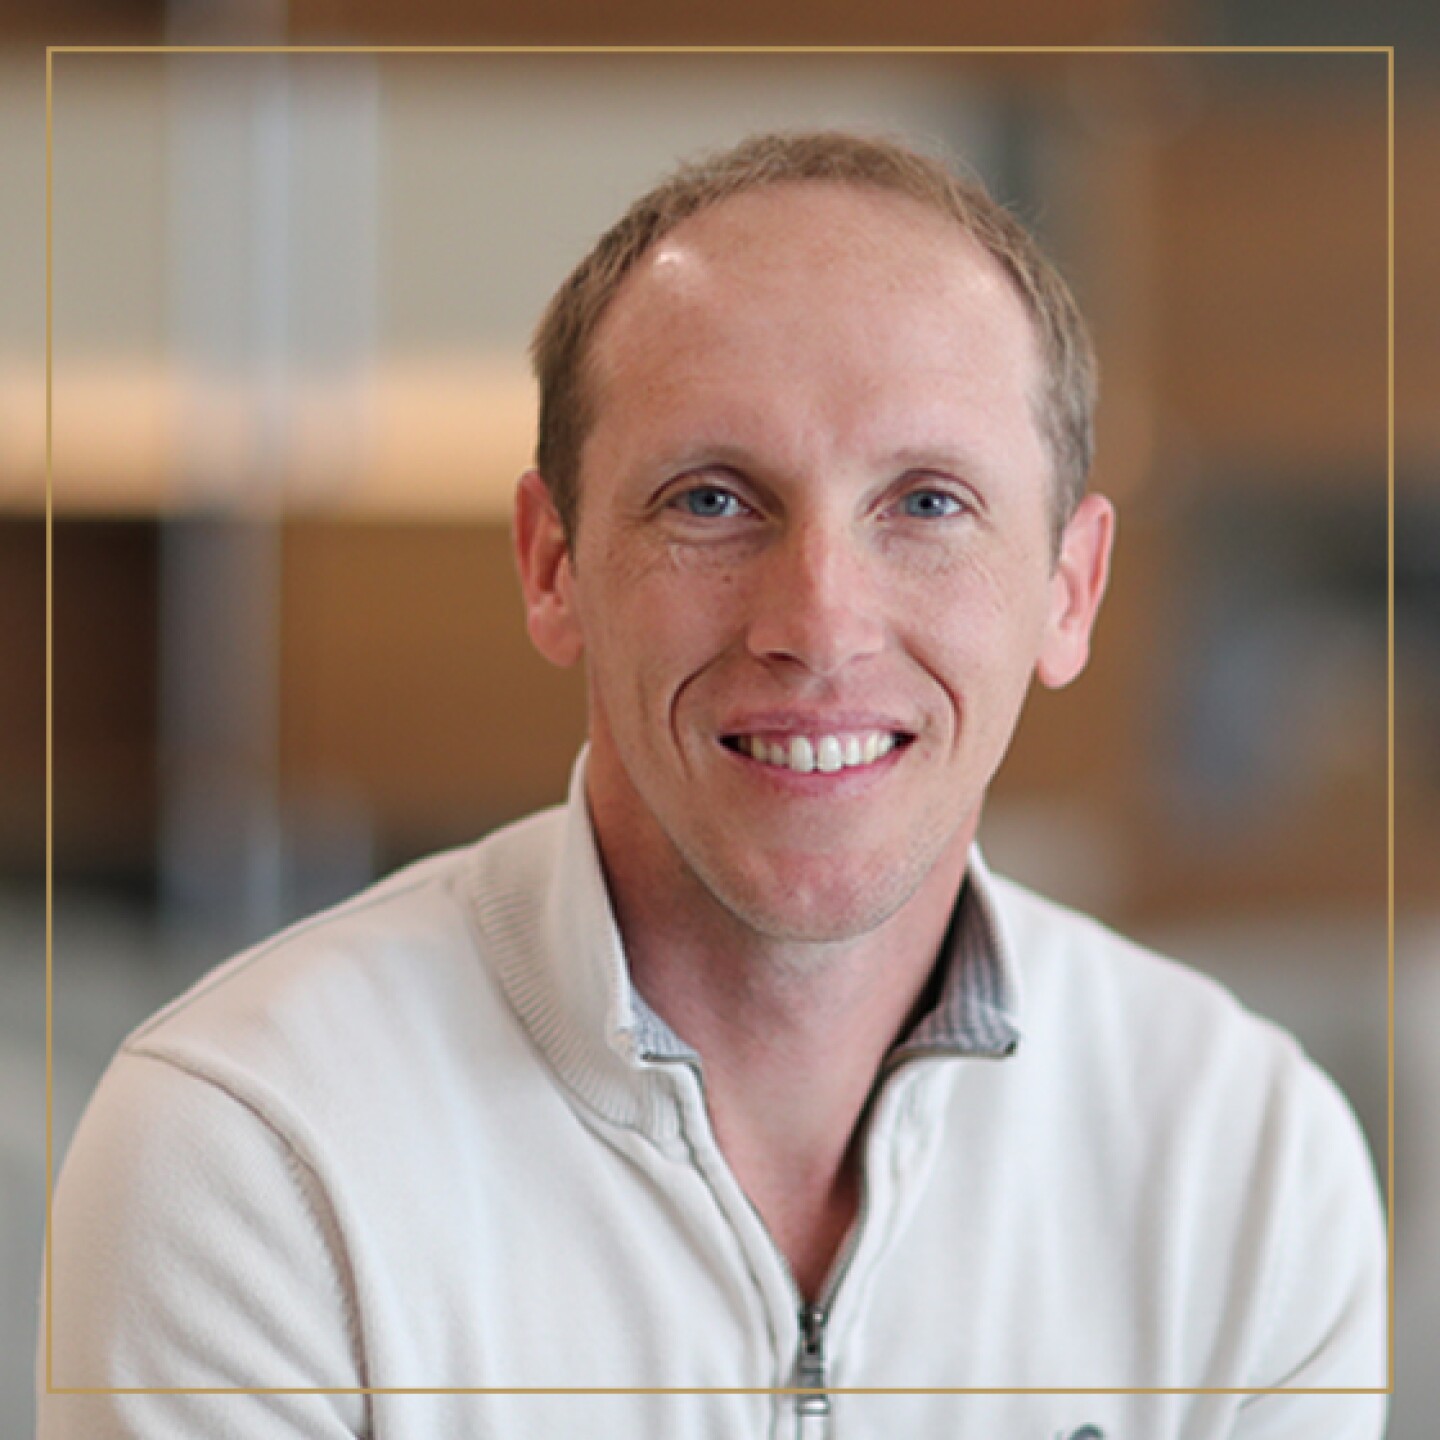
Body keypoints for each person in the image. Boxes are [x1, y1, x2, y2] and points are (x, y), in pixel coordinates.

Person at [40, 131, 1386, 1439]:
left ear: (1069, 591)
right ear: (552, 563)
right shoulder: (255, 1159)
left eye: (926, 503)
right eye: (711, 501)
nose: (819, 621)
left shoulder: (1247, 1164)